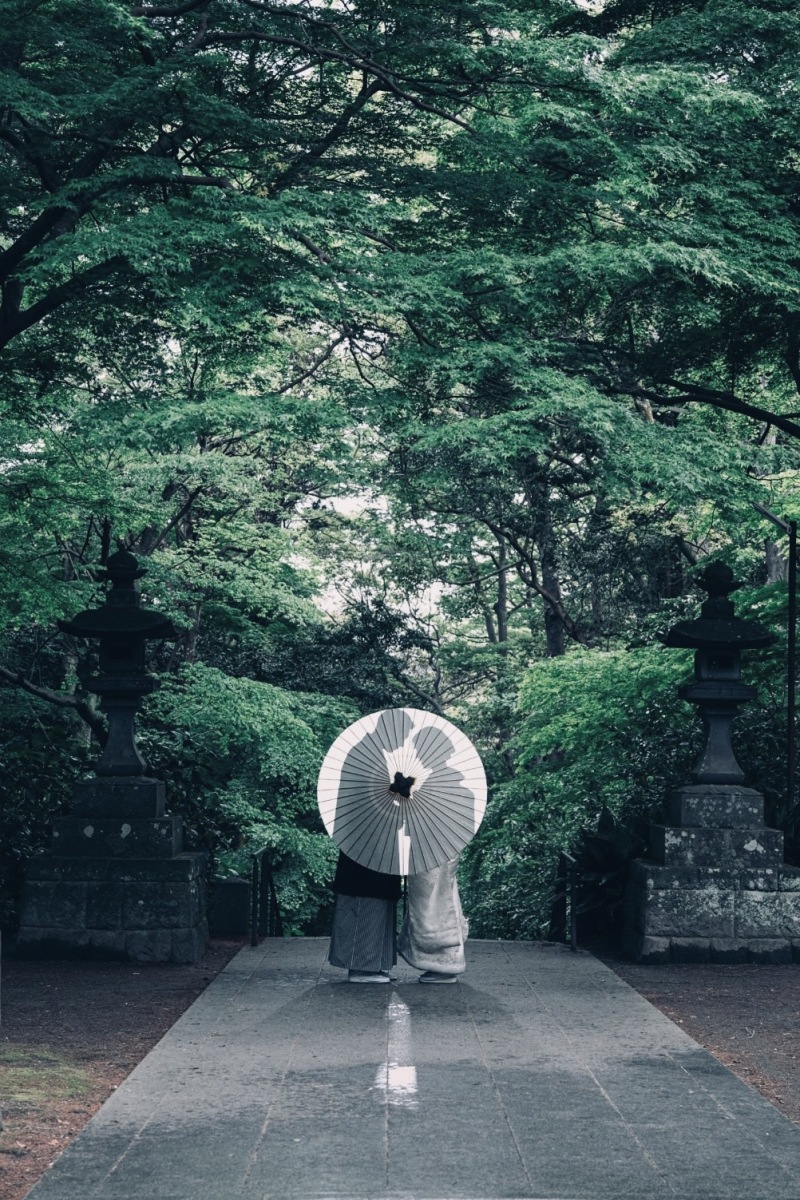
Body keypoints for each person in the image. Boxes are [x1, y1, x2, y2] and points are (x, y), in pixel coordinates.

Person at [328, 851, 401, 983]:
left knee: (380, 906)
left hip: (381, 854)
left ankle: (375, 965)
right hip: (362, 861)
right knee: (365, 907)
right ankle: (360, 967)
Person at [397, 856, 468, 984]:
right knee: (441, 894)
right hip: (435, 845)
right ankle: (446, 959)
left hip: (432, 849)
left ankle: (443, 961)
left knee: (432, 899)